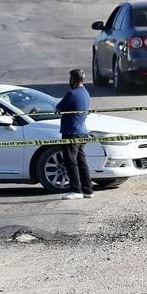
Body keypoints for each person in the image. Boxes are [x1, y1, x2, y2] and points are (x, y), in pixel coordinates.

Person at [56, 67, 93, 200]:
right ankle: (88, 190)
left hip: (71, 132)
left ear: (72, 80)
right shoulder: (86, 93)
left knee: (71, 162)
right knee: (81, 161)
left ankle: (76, 190)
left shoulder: (71, 93)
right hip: (82, 131)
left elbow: (59, 107)